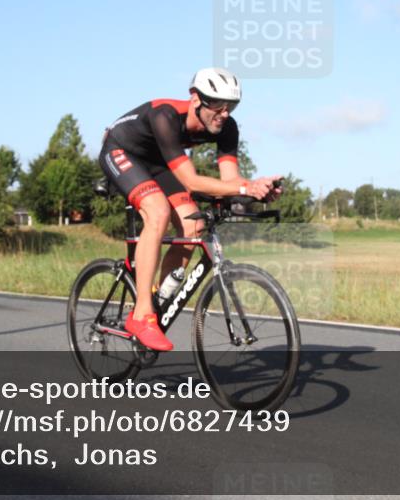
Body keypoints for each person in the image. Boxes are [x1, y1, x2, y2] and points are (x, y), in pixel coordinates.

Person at [98, 68, 282, 351]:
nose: (224, 114)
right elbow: (192, 181)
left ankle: (158, 298)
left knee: (193, 224)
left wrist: (257, 190)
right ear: (195, 98)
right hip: (121, 150)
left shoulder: (228, 128)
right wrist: (247, 188)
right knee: (157, 211)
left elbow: (230, 182)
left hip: (157, 162)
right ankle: (142, 314)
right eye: (217, 105)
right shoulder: (166, 116)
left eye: (231, 107)